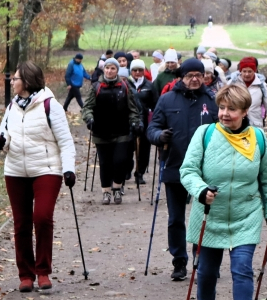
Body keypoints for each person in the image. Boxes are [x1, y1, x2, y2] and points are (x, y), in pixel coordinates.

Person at [180, 83, 267, 300]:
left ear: (245, 111)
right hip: (210, 214)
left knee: (243, 269)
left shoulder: (258, 139)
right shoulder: (205, 134)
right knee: (207, 271)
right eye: (221, 107)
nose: (224, 113)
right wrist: (201, 191)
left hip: (246, 216)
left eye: (231, 109)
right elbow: (188, 171)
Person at [0, 60, 76, 293]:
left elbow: (66, 142)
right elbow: (3, 134)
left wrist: (69, 169)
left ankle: (43, 271)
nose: (12, 81)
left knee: (41, 217)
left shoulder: (51, 106)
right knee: (21, 223)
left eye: (15, 78)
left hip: (47, 169)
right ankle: (25, 275)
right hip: (15, 170)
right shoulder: (12, 107)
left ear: (27, 81)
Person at [147, 58, 218, 281]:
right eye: (190, 76)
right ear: (182, 77)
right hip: (175, 165)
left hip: (206, 170)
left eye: (199, 75)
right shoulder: (167, 100)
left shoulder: (213, 99)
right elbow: (152, 128)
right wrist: (159, 136)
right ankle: (179, 261)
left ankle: (203, 258)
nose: (195, 79)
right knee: (176, 218)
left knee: (204, 215)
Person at [81, 57, 140, 205]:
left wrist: (135, 121)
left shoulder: (125, 86)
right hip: (101, 131)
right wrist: (89, 119)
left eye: (113, 68)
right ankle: (106, 192)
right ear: (103, 69)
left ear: (117, 70)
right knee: (105, 163)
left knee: (120, 161)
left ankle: (117, 187)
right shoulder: (96, 86)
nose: (109, 71)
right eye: (107, 68)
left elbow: (133, 108)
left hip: (121, 130)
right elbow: (87, 107)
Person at [227, 57, 267, 127]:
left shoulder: (262, 85)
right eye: (244, 71)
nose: (247, 74)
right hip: (235, 125)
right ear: (240, 71)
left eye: (250, 71)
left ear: (255, 71)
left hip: (255, 125)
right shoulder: (232, 83)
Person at [127, 59, 157, 186]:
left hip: (145, 121)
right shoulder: (125, 84)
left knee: (144, 149)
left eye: (140, 70)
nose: (138, 73)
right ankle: (127, 169)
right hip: (128, 121)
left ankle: (139, 173)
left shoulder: (149, 86)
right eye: (135, 70)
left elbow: (156, 103)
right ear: (131, 71)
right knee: (128, 148)